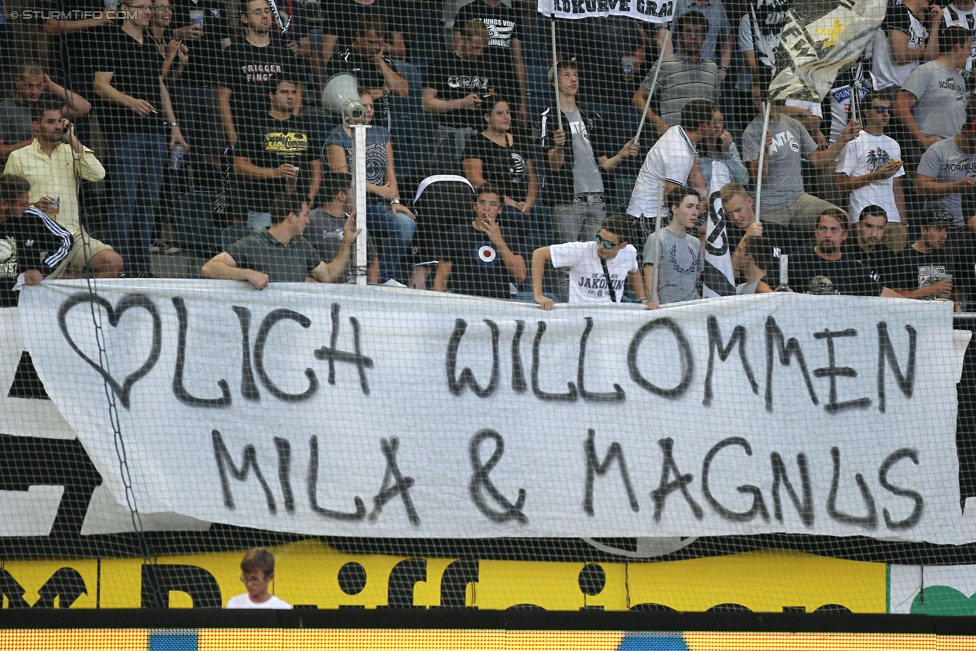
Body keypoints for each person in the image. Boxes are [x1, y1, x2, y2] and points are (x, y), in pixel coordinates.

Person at [93, 0, 188, 278]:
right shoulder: (112, 39)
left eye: (150, 7)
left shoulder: (151, 41)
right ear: (125, 8)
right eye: (142, 6)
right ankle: (117, 266)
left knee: (148, 202)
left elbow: (159, 84)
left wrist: (174, 126)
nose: (149, 11)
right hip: (124, 134)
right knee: (125, 201)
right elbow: (99, 85)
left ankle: (141, 268)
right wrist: (130, 101)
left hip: (156, 134)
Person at [3, 103, 122, 279]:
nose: (58, 126)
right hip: (40, 238)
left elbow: (99, 174)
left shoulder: (72, 151)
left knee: (113, 262)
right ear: (36, 125)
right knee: (36, 279)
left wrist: (72, 139)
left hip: (74, 235)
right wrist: (34, 206)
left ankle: (86, 305)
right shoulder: (19, 156)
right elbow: (8, 201)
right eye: (51, 122)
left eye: (60, 121)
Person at [540, 60, 639, 251]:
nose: (573, 79)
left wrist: (621, 154)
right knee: (567, 261)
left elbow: (605, 164)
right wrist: (559, 147)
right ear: (554, 82)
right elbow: (554, 166)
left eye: (575, 75)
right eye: (566, 75)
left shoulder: (591, 116)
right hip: (568, 202)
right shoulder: (550, 116)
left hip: (597, 201)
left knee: (595, 261)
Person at [326, 90, 415, 286]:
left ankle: (385, 278)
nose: (368, 110)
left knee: (405, 223)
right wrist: (377, 189)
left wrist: (395, 200)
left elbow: (390, 171)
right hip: (349, 206)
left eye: (371, 106)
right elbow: (343, 177)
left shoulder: (381, 133)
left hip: (378, 205)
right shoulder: (336, 136)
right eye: (363, 105)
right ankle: (353, 276)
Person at [741, 100, 859, 234]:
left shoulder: (794, 124)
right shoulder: (751, 132)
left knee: (841, 219)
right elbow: (757, 178)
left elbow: (818, 160)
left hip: (799, 201)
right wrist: (765, 151)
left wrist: (843, 138)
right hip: (769, 207)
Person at [201, 194, 360, 289]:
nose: (308, 221)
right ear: (292, 217)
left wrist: (346, 243)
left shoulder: (301, 245)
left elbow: (328, 275)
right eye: (304, 215)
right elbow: (209, 268)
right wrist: (247, 274)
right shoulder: (254, 243)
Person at [235, 77, 322, 231]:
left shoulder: (305, 126)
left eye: (293, 92)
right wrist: (275, 172)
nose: (290, 96)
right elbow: (240, 166)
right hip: (264, 209)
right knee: (263, 254)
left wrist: (309, 201)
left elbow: (317, 168)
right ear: (271, 95)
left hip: (297, 210)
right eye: (284, 92)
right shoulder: (255, 125)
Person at [217, 0, 298, 147]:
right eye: (257, 12)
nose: (264, 16)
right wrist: (233, 137)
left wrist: (293, 126)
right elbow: (223, 98)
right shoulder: (233, 52)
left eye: (267, 11)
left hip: (279, 134)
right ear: (244, 18)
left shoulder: (284, 52)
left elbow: (297, 92)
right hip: (246, 133)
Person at [834, 91, 908, 250]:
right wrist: (875, 175)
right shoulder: (853, 141)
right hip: (863, 219)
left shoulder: (894, 145)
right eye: (880, 109)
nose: (885, 114)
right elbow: (840, 184)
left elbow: (897, 186)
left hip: (892, 220)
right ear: (867, 111)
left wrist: (903, 221)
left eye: (889, 110)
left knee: (892, 271)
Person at [626, 99, 715, 228]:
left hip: (654, 214)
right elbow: (670, 198)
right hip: (650, 218)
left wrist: (703, 199)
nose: (717, 126)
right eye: (714, 122)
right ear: (704, 125)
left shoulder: (678, 131)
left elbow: (694, 173)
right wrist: (697, 206)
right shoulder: (679, 153)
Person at [531, 214, 649, 309]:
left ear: (622, 245)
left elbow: (633, 270)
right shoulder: (580, 250)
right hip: (581, 318)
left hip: (612, 320)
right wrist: (538, 295)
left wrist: (642, 299)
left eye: (608, 244)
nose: (601, 246)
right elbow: (539, 254)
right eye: (599, 239)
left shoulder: (629, 252)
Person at [632, 11, 720, 137]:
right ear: (679, 35)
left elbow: (715, 107)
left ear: (705, 37)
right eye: (688, 31)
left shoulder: (712, 68)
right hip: (674, 141)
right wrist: (658, 122)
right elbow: (637, 98)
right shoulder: (665, 65)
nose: (693, 36)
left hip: (705, 142)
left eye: (698, 32)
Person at [461, 95, 538, 238]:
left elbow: (533, 177)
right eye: (500, 113)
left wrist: (527, 205)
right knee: (515, 218)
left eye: (508, 112)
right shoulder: (476, 143)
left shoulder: (520, 139)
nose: (506, 117)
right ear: (487, 117)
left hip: (522, 206)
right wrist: (511, 203)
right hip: (495, 207)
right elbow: (476, 181)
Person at [422, 20, 498, 160]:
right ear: (462, 39)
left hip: (481, 133)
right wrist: (461, 103)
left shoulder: (489, 65)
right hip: (449, 131)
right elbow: (426, 104)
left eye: (482, 48)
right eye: (475, 47)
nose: (479, 53)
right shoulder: (442, 62)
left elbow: (495, 98)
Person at [432, 185, 525, 298]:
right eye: (482, 202)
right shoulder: (456, 233)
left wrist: (499, 241)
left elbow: (520, 276)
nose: (486, 208)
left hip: (499, 305)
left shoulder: (509, 234)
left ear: (500, 209)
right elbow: (442, 277)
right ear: (474, 205)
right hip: (464, 303)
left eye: (493, 204)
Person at [788, 209, 902, 297]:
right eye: (823, 228)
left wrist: (916, 307)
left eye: (834, 230)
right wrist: (779, 294)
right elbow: (769, 285)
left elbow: (883, 294)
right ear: (816, 232)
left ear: (844, 235)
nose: (828, 235)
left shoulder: (853, 268)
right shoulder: (797, 259)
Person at [894, 25, 971, 153]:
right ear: (958, 47)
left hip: (954, 149)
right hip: (931, 149)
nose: (971, 53)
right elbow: (900, 106)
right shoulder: (926, 70)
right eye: (968, 47)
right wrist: (922, 140)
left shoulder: (960, 80)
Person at [0, 174, 74, 306]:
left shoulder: (32, 217)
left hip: (26, 300)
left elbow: (65, 239)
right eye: (22, 204)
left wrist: (42, 270)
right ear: (4, 204)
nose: (28, 206)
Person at [325, 15, 408, 131]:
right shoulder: (340, 61)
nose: (377, 47)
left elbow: (403, 91)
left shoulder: (385, 61)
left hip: (381, 131)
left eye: (380, 43)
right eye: (371, 42)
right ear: (358, 36)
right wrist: (384, 91)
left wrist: (379, 61)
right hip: (349, 130)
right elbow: (352, 99)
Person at [452, 0, 529, 125]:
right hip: (476, 83)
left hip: (506, 85)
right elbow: (457, 50)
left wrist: (523, 102)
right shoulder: (467, 10)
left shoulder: (512, 15)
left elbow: (518, 60)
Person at [0, 60, 92, 161]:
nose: (34, 92)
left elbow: (84, 108)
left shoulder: (48, 106)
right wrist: (27, 143)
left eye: (39, 85)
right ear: (17, 82)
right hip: (20, 170)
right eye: (28, 85)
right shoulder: (5, 109)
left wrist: (52, 86)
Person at [306, 172, 378, 283]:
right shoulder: (308, 221)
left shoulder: (356, 223)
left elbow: (372, 262)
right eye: (356, 192)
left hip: (354, 293)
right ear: (342, 195)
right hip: (323, 293)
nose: (361, 197)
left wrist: (371, 292)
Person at [719, 182, 795, 287]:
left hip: (776, 291)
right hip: (744, 294)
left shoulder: (778, 231)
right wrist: (746, 238)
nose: (735, 217)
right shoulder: (724, 238)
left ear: (749, 201)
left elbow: (788, 267)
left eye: (738, 210)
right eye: (729, 214)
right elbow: (728, 277)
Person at [643, 187, 703, 304]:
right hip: (668, 309)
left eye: (697, 207)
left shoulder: (696, 243)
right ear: (675, 209)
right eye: (689, 207)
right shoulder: (657, 239)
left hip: (693, 310)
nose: (695, 212)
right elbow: (650, 285)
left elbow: (693, 283)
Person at [871, 0, 942, 91]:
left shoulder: (920, 24)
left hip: (909, 90)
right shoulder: (898, 12)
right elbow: (901, 56)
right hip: (889, 88)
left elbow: (930, 61)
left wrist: (935, 24)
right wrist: (921, 51)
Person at [915, 121, 976, 227]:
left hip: (971, 226)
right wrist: (956, 186)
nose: (975, 149)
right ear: (963, 132)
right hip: (942, 225)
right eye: (972, 143)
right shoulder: (938, 150)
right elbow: (921, 188)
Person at [890, 208, 958, 301]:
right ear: (924, 230)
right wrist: (931, 289)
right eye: (938, 229)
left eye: (946, 230)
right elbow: (895, 295)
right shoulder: (903, 257)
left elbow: (950, 292)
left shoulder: (943, 256)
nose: (944, 236)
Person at [843, 205, 901, 287]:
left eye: (880, 228)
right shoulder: (844, 251)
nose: (874, 234)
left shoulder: (887, 255)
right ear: (859, 225)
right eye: (869, 226)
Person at [226, 548, 291, 609]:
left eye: (255, 579)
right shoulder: (234, 604)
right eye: (246, 578)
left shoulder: (283, 607)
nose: (249, 584)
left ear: (270, 577)